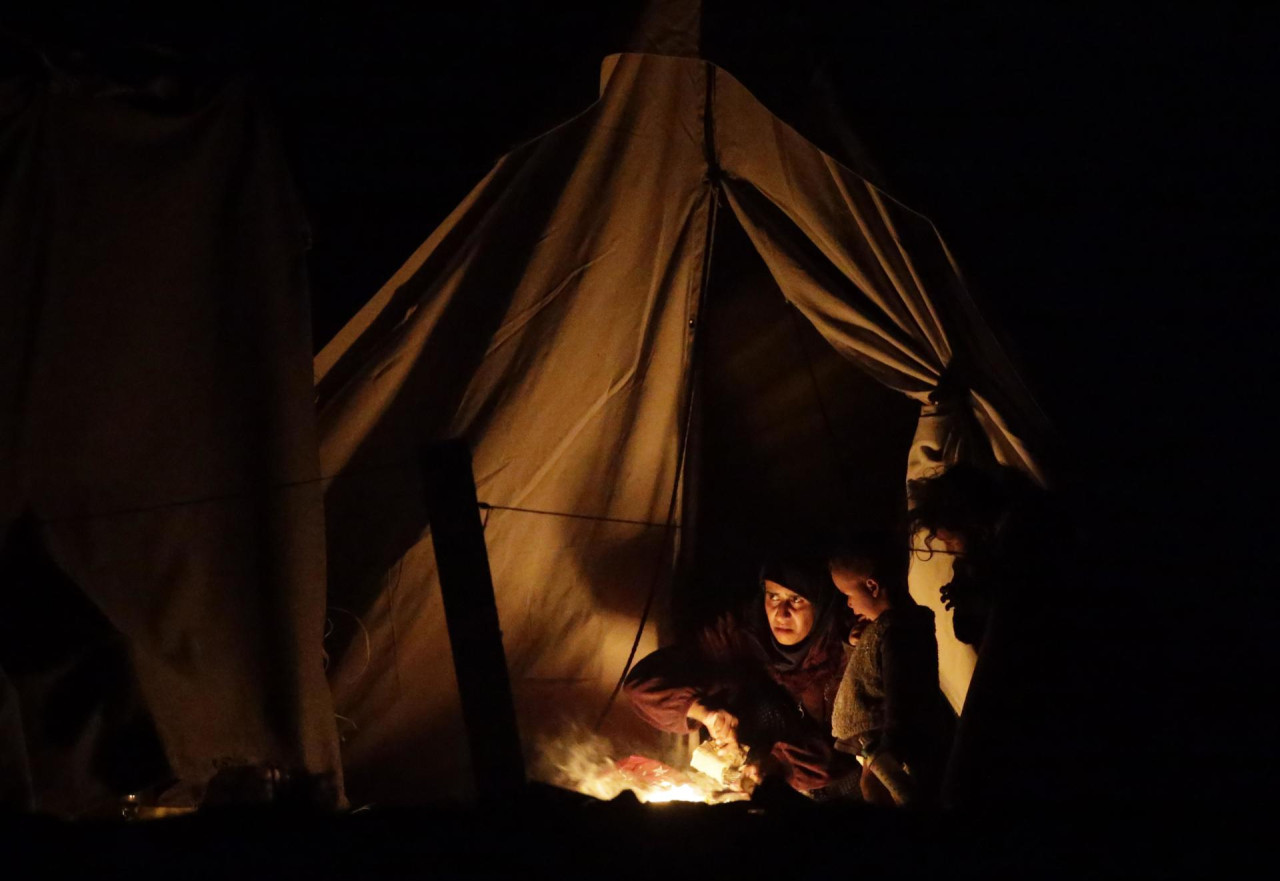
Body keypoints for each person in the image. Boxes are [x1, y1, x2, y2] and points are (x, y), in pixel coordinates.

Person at [907, 463, 1084, 807]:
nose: (952, 550)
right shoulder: (978, 561)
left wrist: (977, 587)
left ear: (969, 521)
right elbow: (967, 629)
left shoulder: (1027, 537)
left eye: (950, 540)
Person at [623, 558, 857, 794]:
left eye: (796, 600)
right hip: (746, 777)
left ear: (820, 606)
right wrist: (704, 712)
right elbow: (642, 686)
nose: (781, 614)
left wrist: (776, 763)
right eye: (773, 597)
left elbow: (847, 750)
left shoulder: (842, 653)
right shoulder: (740, 635)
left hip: (822, 788)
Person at [828, 539, 954, 806]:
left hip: (885, 750)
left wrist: (887, 754)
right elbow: (869, 674)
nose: (849, 604)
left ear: (872, 586)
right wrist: (856, 645)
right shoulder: (885, 629)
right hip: (874, 746)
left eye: (848, 595)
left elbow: (903, 700)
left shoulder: (901, 632)